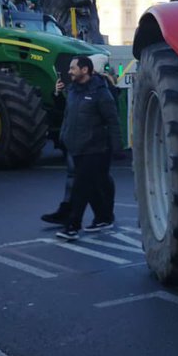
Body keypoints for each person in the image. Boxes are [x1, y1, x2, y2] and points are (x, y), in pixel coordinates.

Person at [55, 56, 120, 241]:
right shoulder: (73, 91)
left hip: (94, 147)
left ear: (85, 70)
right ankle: (104, 218)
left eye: (73, 68)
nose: (69, 71)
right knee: (92, 186)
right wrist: (58, 95)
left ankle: (72, 226)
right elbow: (68, 115)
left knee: (80, 187)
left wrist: (117, 147)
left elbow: (113, 120)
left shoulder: (101, 92)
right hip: (75, 146)